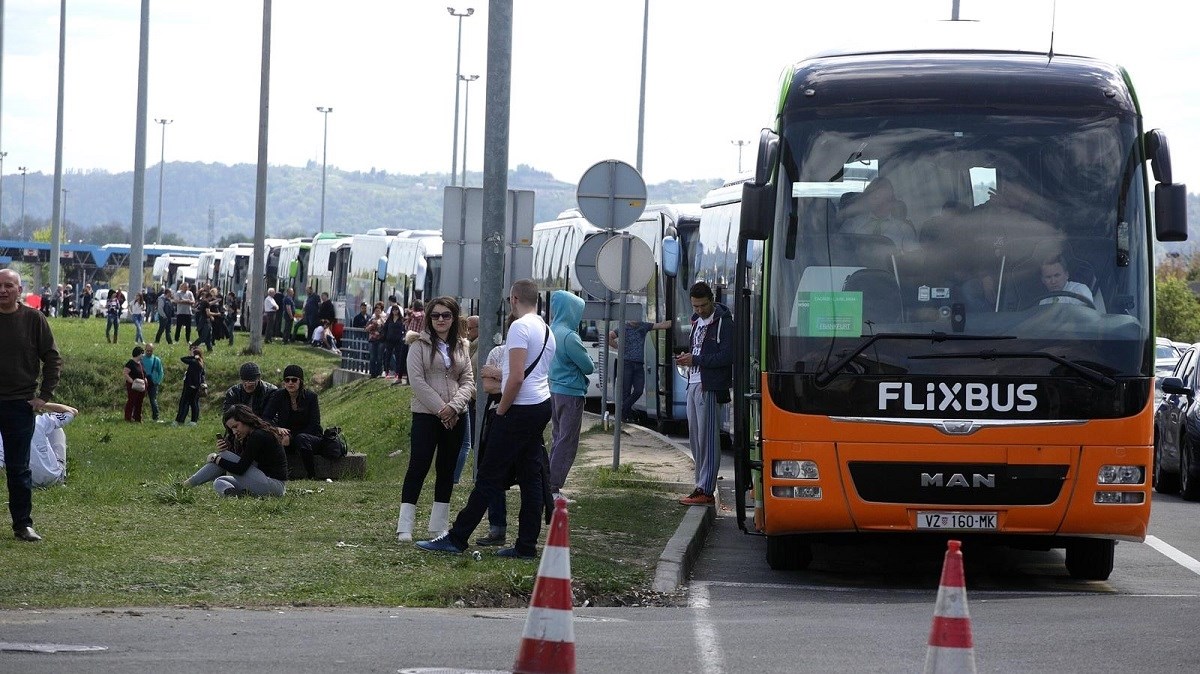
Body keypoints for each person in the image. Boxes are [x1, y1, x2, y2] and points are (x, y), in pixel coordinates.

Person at [417, 279, 555, 559]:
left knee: (489, 474)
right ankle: (526, 545)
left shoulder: (519, 327)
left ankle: (457, 538)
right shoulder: (545, 328)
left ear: (514, 299)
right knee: (530, 477)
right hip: (541, 406)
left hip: (518, 408)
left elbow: (515, 378)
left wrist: (501, 409)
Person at [395, 297, 475, 542]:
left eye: (446, 315)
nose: (441, 319)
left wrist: (454, 407)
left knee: (447, 469)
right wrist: (442, 410)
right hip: (426, 416)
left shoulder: (462, 346)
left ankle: (438, 527)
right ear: (429, 318)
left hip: (456, 416)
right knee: (418, 466)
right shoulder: (418, 345)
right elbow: (417, 381)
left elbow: (468, 381)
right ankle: (405, 526)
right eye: (436, 315)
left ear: (454, 318)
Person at [0, 268, 63, 542]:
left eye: (9, 285)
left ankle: (22, 525)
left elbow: (52, 358)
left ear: (19, 289)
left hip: (19, 404)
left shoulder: (34, 319)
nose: (3, 290)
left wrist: (44, 396)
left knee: (19, 468)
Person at [674, 281, 733, 506]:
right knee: (696, 440)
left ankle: (706, 489)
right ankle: (700, 484)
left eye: (703, 306)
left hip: (709, 386)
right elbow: (699, 350)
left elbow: (728, 356)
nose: (699, 310)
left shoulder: (724, 323)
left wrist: (696, 359)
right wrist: (688, 358)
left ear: (711, 300)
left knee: (708, 440)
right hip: (694, 382)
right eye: (695, 306)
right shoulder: (697, 322)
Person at [547, 290, 595, 501]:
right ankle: (553, 487)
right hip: (571, 393)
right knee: (567, 441)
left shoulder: (550, 331)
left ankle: (549, 483)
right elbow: (588, 366)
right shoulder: (569, 336)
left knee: (557, 438)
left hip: (554, 390)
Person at [184, 404, 288, 497]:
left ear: (245, 419)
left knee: (223, 456)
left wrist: (216, 459)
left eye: (235, 426)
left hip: (274, 486)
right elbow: (245, 463)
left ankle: (186, 485)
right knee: (220, 481)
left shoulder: (258, 435)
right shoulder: (252, 435)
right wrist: (227, 450)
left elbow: (240, 469)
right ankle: (236, 494)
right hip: (264, 482)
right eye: (231, 429)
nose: (234, 432)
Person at [263, 364, 322, 480]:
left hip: (309, 436)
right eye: (287, 380)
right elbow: (266, 417)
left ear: (300, 382)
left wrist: (292, 437)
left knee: (301, 439)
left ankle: (311, 475)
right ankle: (278, 474)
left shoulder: (311, 397)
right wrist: (277, 429)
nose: (290, 383)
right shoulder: (278, 395)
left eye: (294, 380)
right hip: (287, 435)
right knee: (274, 438)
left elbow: (315, 424)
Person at [609, 317, 673, 422]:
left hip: (639, 364)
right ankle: (626, 417)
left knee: (639, 390)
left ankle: (621, 411)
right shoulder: (623, 328)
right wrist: (618, 348)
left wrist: (676, 319)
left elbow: (661, 325)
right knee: (626, 392)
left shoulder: (643, 326)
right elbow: (609, 337)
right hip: (626, 363)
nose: (635, 319)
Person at [0, 402, 77, 488]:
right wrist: (41, 403)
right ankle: (62, 476)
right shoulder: (40, 420)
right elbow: (72, 411)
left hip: (26, 480)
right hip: (52, 478)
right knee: (57, 430)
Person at [838, 177, 918, 251]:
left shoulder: (905, 230)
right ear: (868, 199)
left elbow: (912, 260)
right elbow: (837, 252)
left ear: (893, 201)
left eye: (887, 199)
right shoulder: (852, 224)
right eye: (876, 198)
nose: (881, 203)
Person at [174, 347, 206, 426]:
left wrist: (192, 356)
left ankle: (180, 420)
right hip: (196, 386)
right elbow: (202, 374)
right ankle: (193, 421)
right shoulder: (201, 362)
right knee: (194, 403)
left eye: (191, 352)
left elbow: (183, 359)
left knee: (184, 403)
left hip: (190, 386)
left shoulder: (194, 361)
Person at [123, 346, 148, 423]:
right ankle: (128, 417)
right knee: (132, 401)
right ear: (138, 354)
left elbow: (143, 373)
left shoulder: (140, 363)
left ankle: (137, 417)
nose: (143, 355)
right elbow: (125, 373)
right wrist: (132, 381)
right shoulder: (130, 363)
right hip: (133, 386)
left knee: (139, 402)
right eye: (142, 353)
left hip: (141, 385)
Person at [143, 342, 166, 423]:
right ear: (145, 350)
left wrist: (158, 381)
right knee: (139, 399)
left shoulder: (157, 360)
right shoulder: (141, 359)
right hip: (142, 382)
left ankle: (156, 417)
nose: (149, 352)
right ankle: (137, 415)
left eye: (150, 351)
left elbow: (161, 372)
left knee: (153, 400)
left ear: (153, 350)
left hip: (153, 383)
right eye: (147, 350)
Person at [383, 304, 406, 379]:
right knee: (388, 356)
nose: (395, 311)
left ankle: (397, 372)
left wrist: (402, 337)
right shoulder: (389, 319)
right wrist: (385, 337)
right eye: (393, 310)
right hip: (389, 340)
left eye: (396, 310)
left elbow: (404, 329)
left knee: (398, 357)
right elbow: (385, 328)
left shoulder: (401, 319)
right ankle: (387, 372)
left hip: (398, 341)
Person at [366, 302, 387, 378]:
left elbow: (385, 326)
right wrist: (371, 325)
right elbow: (366, 328)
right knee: (372, 357)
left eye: (379, 310)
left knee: (379, 357)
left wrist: (380, 319)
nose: (377, 312)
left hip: (381, 340)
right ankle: (372, 373)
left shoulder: (384, 318)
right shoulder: (372, 319)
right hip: (372, 339)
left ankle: (379, 373)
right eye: (376, 310)